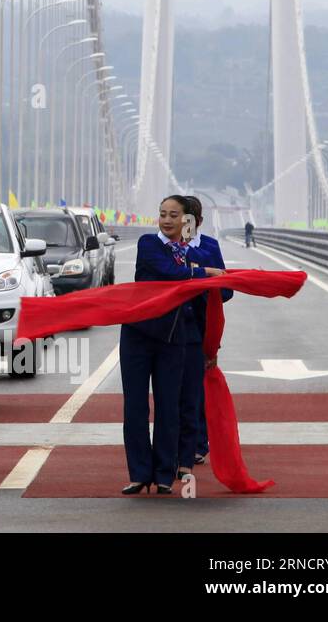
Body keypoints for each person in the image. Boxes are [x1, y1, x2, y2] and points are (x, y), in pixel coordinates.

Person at [122, 195, 224, 495]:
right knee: (135, 408)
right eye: (162, 214)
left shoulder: (197, 250)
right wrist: (204, 274)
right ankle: (140, 474)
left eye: (173, 215)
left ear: (186, 221)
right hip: (138, 336)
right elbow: (170, 274)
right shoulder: (148, 245)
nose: (167, 220)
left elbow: (221, 291)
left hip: (176, 337)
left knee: (171, 406)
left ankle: (166, 474)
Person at [181, 195, 232, 473]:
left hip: (203, 324)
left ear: (199, 222)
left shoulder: (210, 246)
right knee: (176, 386)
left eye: (189, 220)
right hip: (174, 324)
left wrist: (204, 287)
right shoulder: (167, 247)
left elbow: (226, 289)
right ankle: (180, 443)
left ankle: (199, 444)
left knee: (199, 385)